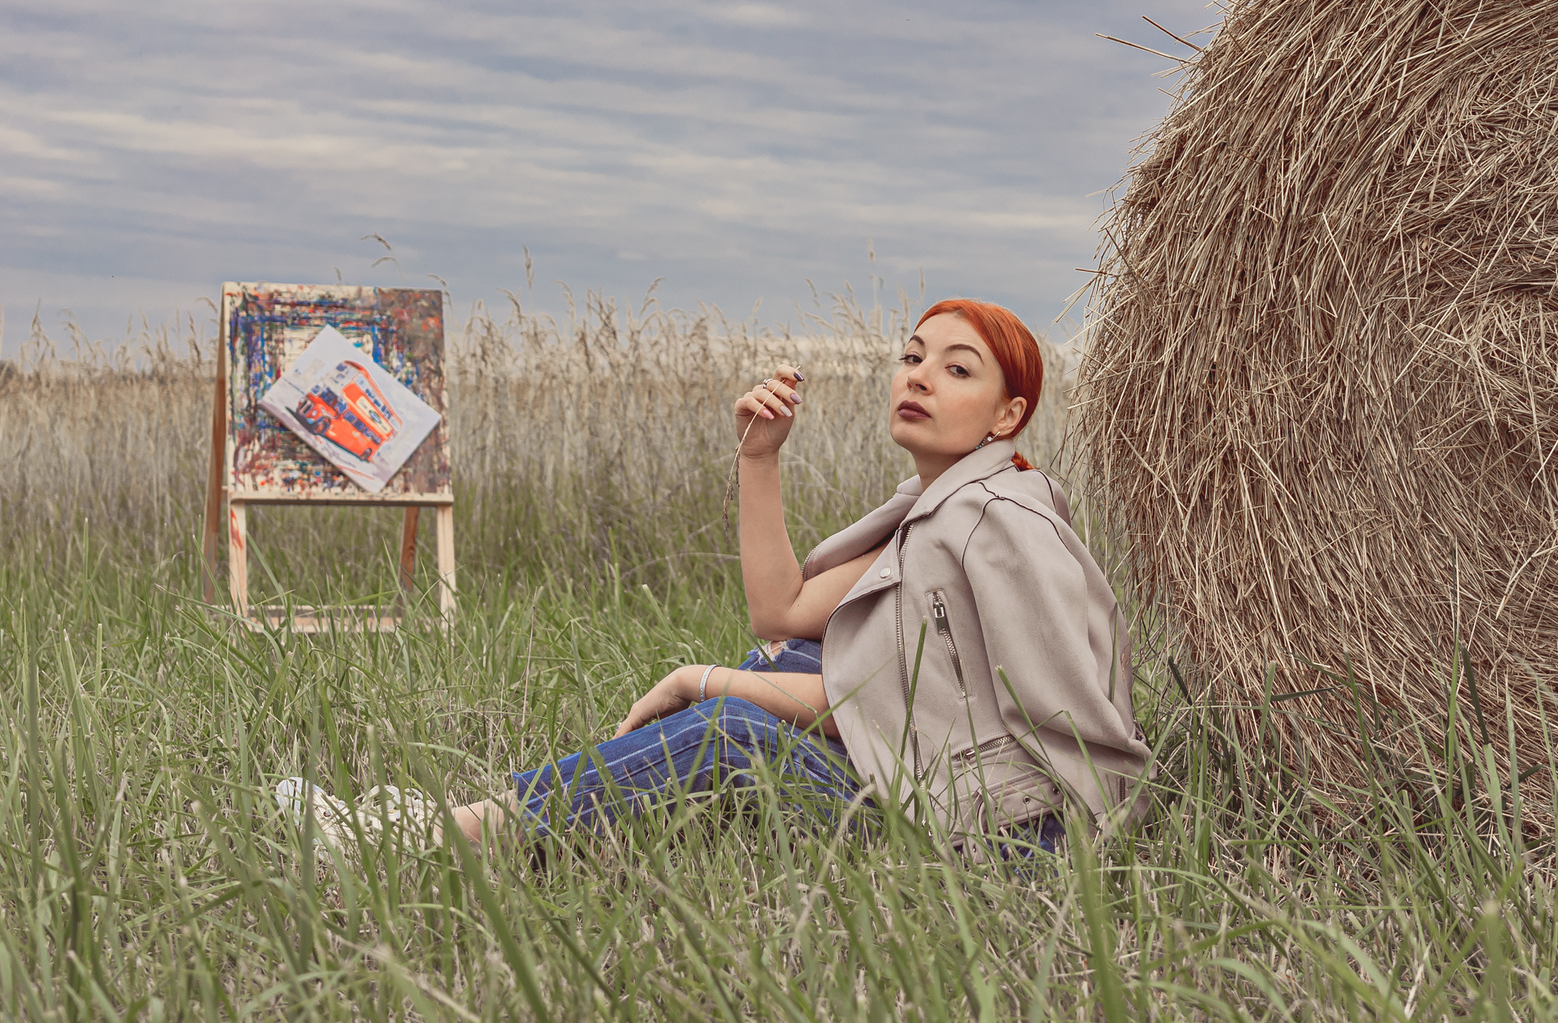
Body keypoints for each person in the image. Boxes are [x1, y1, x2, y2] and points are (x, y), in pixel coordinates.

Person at [277, 299, 1151, 852]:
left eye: (957, 369)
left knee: (729, 727)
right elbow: (785, 611)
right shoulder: (936, 507)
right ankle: (559, 809)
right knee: (791, 658)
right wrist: (759, 457)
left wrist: (697, 679)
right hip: (962, 794)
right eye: (913, 355)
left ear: (1007, 413)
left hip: (1004, 838)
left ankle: (439, 838)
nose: (920, 376)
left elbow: (1046, 718)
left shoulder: (999, 521)